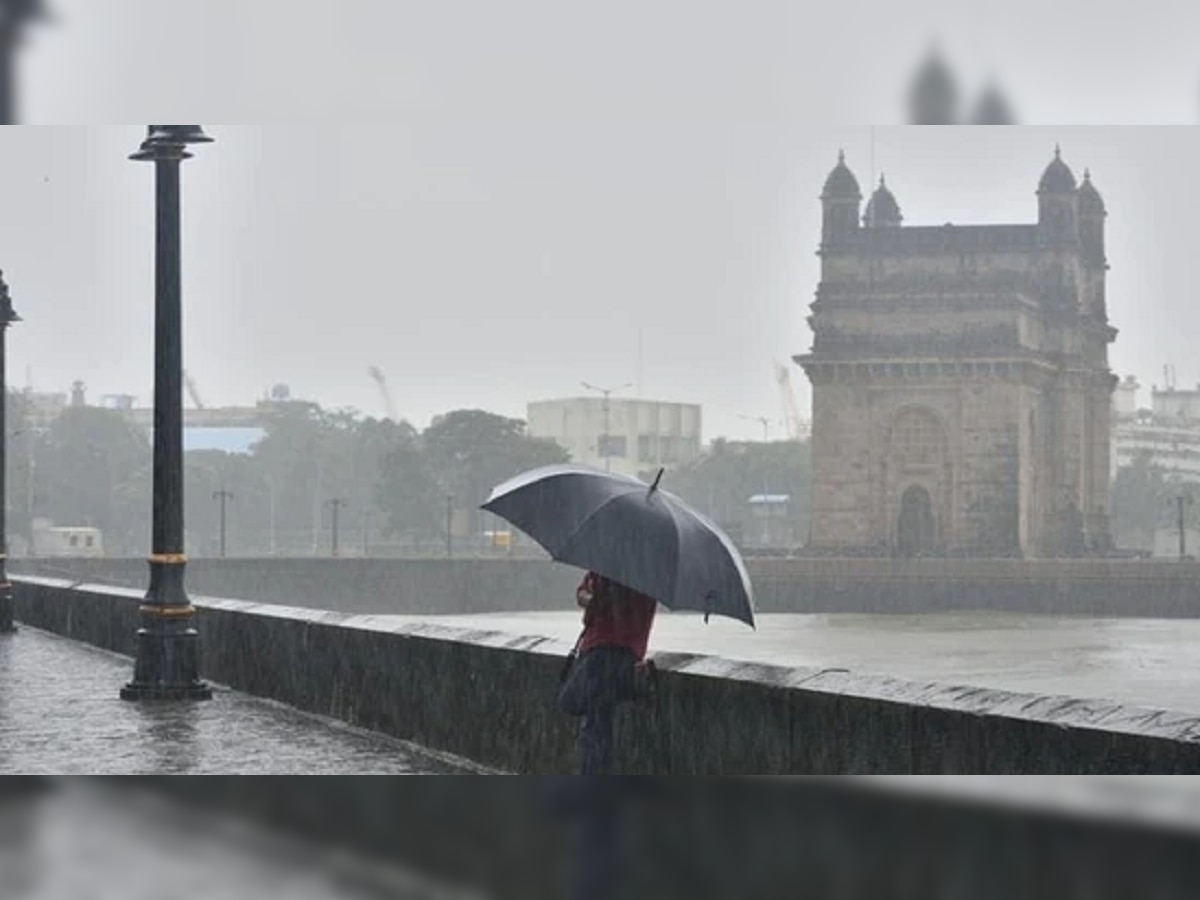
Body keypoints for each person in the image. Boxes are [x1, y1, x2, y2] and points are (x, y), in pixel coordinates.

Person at [557, 570, 658, 775]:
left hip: (607, 654)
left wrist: (606, 598)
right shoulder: (613, 571)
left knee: (592, 723)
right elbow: (583, 592)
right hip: (615, 654)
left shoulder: (630, 575)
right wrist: (591, 599)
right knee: (597, 723)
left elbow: (626, 612)